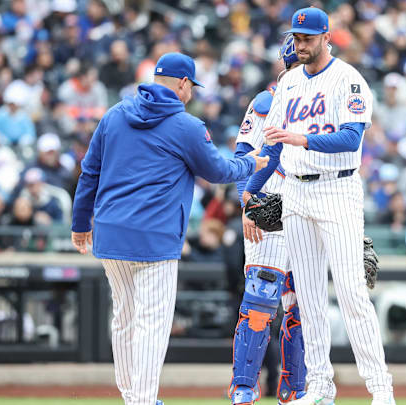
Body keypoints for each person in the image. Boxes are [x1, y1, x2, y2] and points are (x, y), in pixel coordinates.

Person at [70, 52, 268, 405]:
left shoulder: (115, 114)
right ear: (182, 83)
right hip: (155, 238)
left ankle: (133, 397)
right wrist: (251, 162)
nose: (191, 94)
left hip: (110, 232)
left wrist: (79, 223)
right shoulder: (185, 125)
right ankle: (143, 400)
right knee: (152, 322)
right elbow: (220, 171)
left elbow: (89, 173)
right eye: (191, 86)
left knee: (125, 317)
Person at [243, 8, 395, 405]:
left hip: (337, 189)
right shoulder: (289, 82)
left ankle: (380, 389)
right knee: (307, 299)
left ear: (327, 37)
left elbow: (350, 138)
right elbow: (273, 146)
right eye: (296, 37)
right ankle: (320, 387)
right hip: (295, 192)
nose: (301, 43)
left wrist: (302, 139)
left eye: (308, 37)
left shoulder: (349, 80)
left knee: (351, 293)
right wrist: (251, 191)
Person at [229, 35, 306, 405]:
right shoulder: (266, 99)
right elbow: (244, 153)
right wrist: (249, 204)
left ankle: (297, 389)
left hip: (311, 206)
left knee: (302, 305)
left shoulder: (327, 97)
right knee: (261, 301)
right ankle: (243, 387)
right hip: (269, 205)